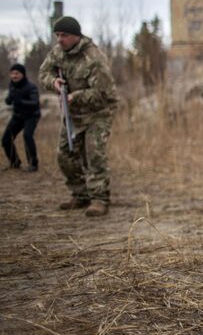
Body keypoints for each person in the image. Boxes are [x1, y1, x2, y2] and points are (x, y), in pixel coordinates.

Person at [39, 16, 118, 217]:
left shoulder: (93, 58)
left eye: (64, 35)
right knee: (64, 155)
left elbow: (104, 94)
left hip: (98, 114)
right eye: (57, 35)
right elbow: (43, 74)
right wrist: (54, 82)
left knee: (94, 154)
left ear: (76, 36)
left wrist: (76, 96)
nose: (60, 39)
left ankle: (99, 199)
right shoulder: (58, 54)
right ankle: (80, 194)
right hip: (73, 115)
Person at [2, 63, 41, 171]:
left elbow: (35, 103)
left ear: (22, 74)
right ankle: (15, 162)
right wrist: (9, 100)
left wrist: (21, 102)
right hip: (17, 116)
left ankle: (33, 164)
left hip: (31, 116)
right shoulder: (12, 85)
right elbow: (11, 99)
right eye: (12, 73)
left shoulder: (30, 87)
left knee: (27, 136)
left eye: (17, 73)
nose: (14, 76)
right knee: (6, 139)